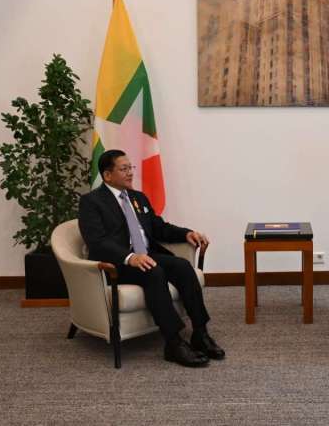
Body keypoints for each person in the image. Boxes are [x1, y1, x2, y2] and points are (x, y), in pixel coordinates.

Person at [78, 149, 224, 368]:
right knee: (154, 272)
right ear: (107, 175)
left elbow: (159, 228)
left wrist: (186, 233)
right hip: (116, 264)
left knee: (182, 266)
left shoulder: (137, 198)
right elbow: (97, 241)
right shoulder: (91, 202)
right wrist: (129, 257)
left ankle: (200, 333)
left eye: (131, 168)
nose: (130, 173)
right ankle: (173, 342)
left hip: (146, 256)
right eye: (124, 169)